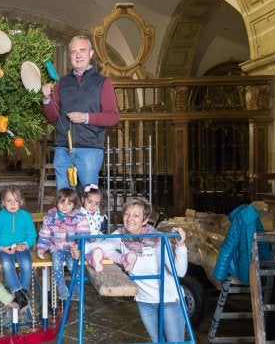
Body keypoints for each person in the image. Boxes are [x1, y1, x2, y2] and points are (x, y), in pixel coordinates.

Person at [74, 197, 188, 342]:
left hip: (169, 299)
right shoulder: (121, 236)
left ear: (145, 220)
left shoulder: (158, 239)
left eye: (136, 215)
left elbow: (179, 272)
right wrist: (79, 249)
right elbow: (100, 245)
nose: (130, 219)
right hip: (145, 301)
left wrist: (180, 246)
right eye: (127, 214)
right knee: (158, 341)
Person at [41, 35, 120, 191]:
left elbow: (113, 116)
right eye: (74, 52)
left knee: (88, 199)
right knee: (64, 199)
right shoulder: (62, 82)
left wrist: (85, 117)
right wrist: (46, 99)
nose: (78, 55)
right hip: (63, 149)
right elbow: (52, 116)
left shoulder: (103, 82)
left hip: (89, 149)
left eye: (82, 50)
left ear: (90, 54)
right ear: (70, 56)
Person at [36, 188, 89, 300]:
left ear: (74, 205)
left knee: (72, 265)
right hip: (56, 248)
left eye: (69, 203)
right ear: (57, 202)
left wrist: (79, 248)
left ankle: (76, 288)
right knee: (56, 263)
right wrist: (41, 248)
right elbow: (45, 235)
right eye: (62, 202)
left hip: (72, 249)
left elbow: (83, 235)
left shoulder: (79, 218)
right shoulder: (50, 218)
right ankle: (61, 287)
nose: (65, 206)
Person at [0, 187, 37, 310]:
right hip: (5, 249)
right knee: (6, 264)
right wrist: (1, 248)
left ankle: (23, 291)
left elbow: (32, 234)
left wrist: (25, 245)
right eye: (9, 201)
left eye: (15, 201)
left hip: (21, 247)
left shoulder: (26, 216)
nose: (12, 204)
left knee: (26, 263)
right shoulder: (0, 216)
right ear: (4, 203)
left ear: (21, 202)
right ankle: (17, 291)